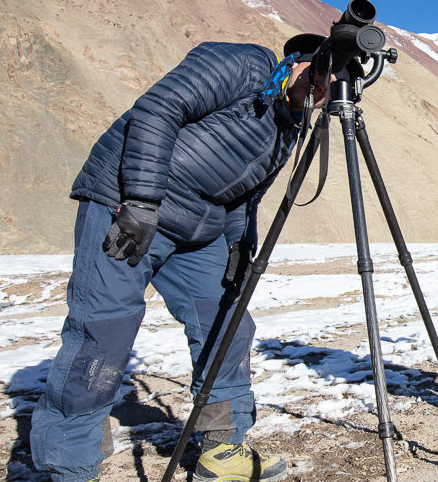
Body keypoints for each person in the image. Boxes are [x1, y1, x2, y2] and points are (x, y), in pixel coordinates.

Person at [30, 33, 330, 482]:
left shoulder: (289, 125)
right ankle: (71, 466)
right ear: (298, 62)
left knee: (228, 323)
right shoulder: (246, 66)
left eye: (329, 89)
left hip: (197, 226)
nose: (319, 89)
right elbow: (159, 107)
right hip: (128, 202)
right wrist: (142, 200)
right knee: (104, 333)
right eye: (318, 75)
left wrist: (237, 244)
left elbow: (245, 193)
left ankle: (222, 447)